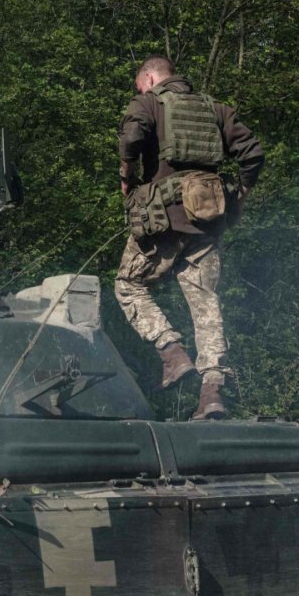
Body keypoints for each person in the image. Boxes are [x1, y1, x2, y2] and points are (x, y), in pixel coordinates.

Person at [115, 56, 264, 420]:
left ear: (150, 78)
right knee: (206, 307)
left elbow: (131, 137)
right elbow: (253, 154)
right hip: (208, 223)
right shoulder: (217, 109)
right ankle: (212, 395)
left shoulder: (149, 102)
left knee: (128, 285)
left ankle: (172, 354)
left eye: (140, 85)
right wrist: (239, 197)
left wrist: (126, 174)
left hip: (163, 221)